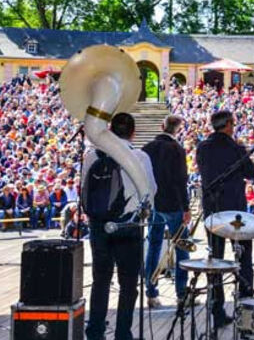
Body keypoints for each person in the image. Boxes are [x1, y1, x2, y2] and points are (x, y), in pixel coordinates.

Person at [84, 112, 156, 340]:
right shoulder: (140, 156)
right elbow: (151, 191)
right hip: (128, 226)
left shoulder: (91, 156)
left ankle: (95, 331)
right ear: (133, 132)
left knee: (100, 281)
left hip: (99, 225)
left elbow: (85, 190)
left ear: (110, 131)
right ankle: (123, 333)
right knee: (128, 285)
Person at [196, 110, 254, 328]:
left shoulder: (203, 147)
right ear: (229, 125)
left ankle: (217, 310)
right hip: (235, 212)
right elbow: (250, 173)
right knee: (243, 257)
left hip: (212, 210)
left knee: (216, 259)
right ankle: (246, 304)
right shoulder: (235, 147)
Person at [143, 115, 191, 308]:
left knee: (153, 247)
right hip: (173, 204)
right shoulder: (177, 149)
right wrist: (186, 208)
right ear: (177, 130)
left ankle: (151, 293)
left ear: (162, 126)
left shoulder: (147, 148)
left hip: (153, 203)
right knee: (182, 247)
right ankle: (181, 293)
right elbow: (181, 180)